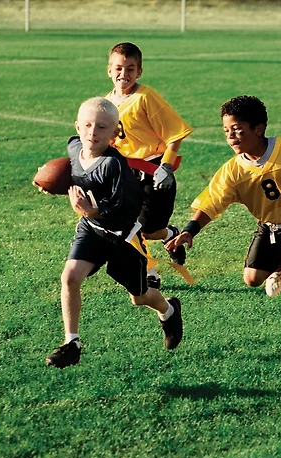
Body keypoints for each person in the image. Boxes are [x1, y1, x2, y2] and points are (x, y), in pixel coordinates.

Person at [165, 95, 281, 344]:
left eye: (237, 130)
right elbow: (212, 201)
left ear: (258, 129)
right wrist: (190, 230)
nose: (230, 136)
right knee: (252, 279)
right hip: (271, 226)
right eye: (226, 131)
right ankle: (280, 264)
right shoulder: (233, 170)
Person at [45, 97, 183, 369]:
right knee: (70, 277)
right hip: (92, 230)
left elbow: (127, 210)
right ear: (77, 126)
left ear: (115, 132)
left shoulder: (115, 165)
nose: (92, 133)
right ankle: (71, 343)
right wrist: (51, 184)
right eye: (87, 125)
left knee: (140, 297)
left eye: (101, 127)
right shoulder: (74, 148)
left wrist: (93, 211)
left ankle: (169, 311)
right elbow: (71, 174)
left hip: (124, 237)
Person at [106, 42, 194, 288]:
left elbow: (175, 133)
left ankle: (170, 234)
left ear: (139, 72)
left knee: (148, 230)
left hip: (153, 170)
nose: (124, 74)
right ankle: (150, 273)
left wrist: (165, 166)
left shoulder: (146, 97)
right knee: (129, 227)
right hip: (125, 172)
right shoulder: (106, 103)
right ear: (109, 70)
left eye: (130, 68)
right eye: (119, 68)